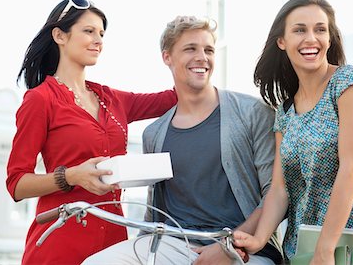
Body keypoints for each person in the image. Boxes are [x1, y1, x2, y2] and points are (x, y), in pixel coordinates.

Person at [83, 16, 283, 264]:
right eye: (190, 48)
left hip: (244, 246)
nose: (202, 57)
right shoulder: (154, 133)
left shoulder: (252, 113)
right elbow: (154, 205)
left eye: (208, 50)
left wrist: (229, 244)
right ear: (167, 57)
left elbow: (273, 193)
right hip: (174, 242)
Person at [6, 0, 177, 264]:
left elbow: (174, 98)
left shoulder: (113, 99)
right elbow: (16, 184)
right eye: (89, 31)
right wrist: (72, 176)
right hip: (60, 243)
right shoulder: (40, 100)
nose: (98, 40)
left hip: (114, 244)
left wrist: (185, 57)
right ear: (59, 36)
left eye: (101, 34)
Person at [232, 0, 353, 264]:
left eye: (320, 29)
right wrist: (258, 239)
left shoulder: (347, 83)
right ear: (282, 41)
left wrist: (326, 249)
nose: (311, 38)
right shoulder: (285, 111)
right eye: (299, 30)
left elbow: (351, 167)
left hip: (352, 246)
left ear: (329, 39)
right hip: (301, 250)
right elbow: (280, 189)